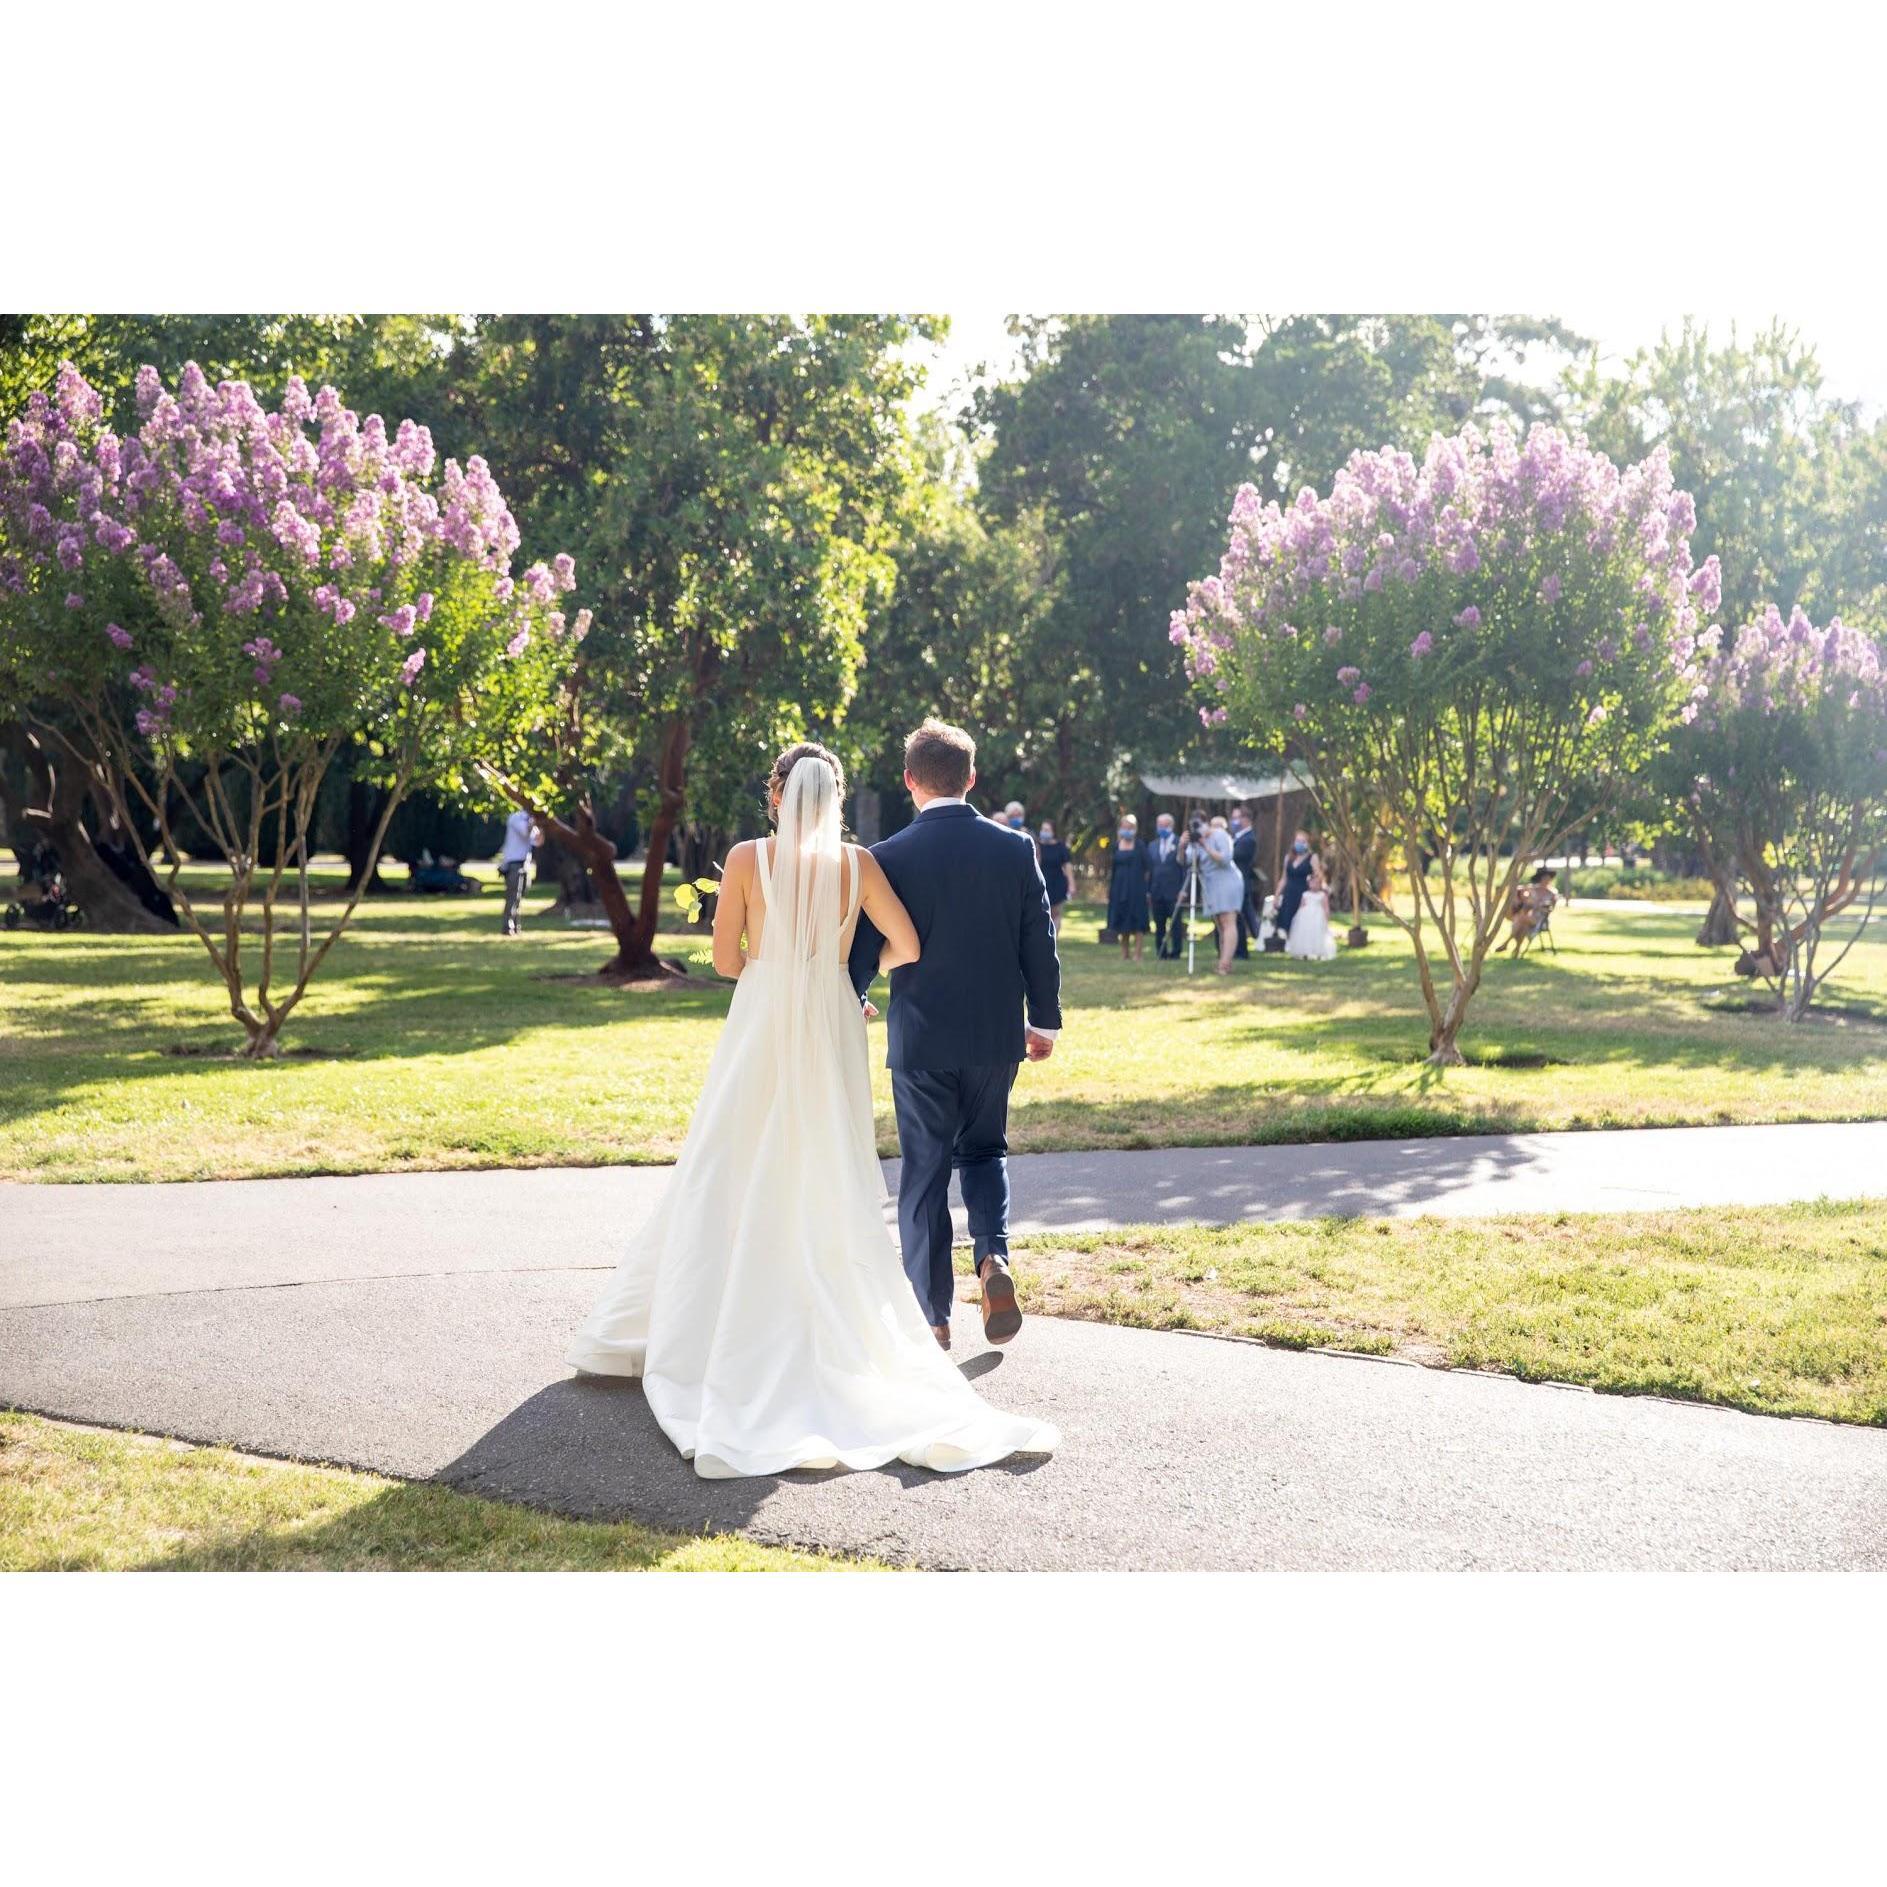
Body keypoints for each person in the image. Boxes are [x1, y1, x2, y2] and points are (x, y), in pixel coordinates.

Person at [566, 739, 1057, 1479]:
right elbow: (906, 942)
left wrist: (771, 955)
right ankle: (887, 1295)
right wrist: (837, 972)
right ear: (833, 797)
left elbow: (728, 963)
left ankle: (723, 1311)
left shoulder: (743, 859)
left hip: (762, 1016)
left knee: (732, 1151)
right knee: (827, 1155)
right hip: (830, 1016)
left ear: (777, 795)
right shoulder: (858, 865)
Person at [847, 718, 1065, 1355]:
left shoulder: (885, 857)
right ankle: (993, 1260)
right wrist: (1043, 1021)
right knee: (985, 1149)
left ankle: (933, 1315)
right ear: (971, 777)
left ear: (909, 780)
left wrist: (854, 994)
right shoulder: (1014, 847)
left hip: (919, 1041)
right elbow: (1038, 941)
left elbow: (865, 946)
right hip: (995, 1036)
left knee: (924, 1172)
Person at [1194, 813, 1244, 974]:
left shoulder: (1220, 835)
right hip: (1211, 885)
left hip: (1227, 882)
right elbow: (1188, 861)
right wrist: (1185, 844)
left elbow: (1225, 859)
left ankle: (1224, 963)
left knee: (1228, 922)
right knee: (1220, 925)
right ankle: (1225, 961)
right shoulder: (1197, 840)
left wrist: (1205, 846)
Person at [1281, 833, 1337, 960]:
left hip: (1304, 892)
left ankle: (1312, 948)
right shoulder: (1288, 858)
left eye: (1302, 841)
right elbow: (1283, 878)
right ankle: (1295, 946)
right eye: (1297, 841)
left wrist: (1320, 887)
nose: (1299, 844)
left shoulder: (1312, 858)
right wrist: (1278, 893)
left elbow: (1318, 875)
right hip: (1290, 893)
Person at [1106, 812, 1151, 958]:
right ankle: (1124, 953)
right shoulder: (1116, 846)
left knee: (1137, 920)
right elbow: (1112, 868)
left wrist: (1146, 888)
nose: (1127, 830)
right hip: (1119, 888)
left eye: (1130, 827)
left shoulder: (1140, 846)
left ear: (1135, 828)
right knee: (1122, 920)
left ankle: (1138, 953)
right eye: (1124, 827)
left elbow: (1148, 868)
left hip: (1136, 889)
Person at [498, 806, 541, 936]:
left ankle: (516, 926)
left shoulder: (530, 821)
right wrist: (536, 821)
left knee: (519, 897)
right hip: (513, 863)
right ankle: (507, 926)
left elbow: (538, 841)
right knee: (512, 896)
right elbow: (525, 832)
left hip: (524, 863)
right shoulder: (516, 818)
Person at [1147, 812, 1185, 958]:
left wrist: (1183, 890)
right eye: (1159, 825)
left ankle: (1176, 952)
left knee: (1175, 924)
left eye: (1164, 825)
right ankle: (1160, 951)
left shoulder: (1179, 843)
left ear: (1171, 826)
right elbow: (1150, 870)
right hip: (1157, 891)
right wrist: (1148, 890)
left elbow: (1184, 867)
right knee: (1159, 924)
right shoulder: (1152, 845)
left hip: (1174, 890)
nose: (1161, 828)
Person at [1229, 805, 1261, 958]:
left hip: (1241, 884)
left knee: (1240, 918)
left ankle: (1241, 951)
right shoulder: (1237, 837)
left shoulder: (1249, 839)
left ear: (1246, 819)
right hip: (1234, 885)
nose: (1234, 821)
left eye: (1237, 817)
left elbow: (1234, 856)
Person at [1505, 867, 1560, 951]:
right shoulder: (1532, 889)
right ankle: (1517, 948)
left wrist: (1541, 907)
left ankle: (1506, 943)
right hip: (1529, 916)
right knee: (1522, 924)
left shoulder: (1552, 893)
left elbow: (1551, 909)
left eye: (1548, 877)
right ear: (1540, 878)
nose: (1546, 880)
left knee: (1520, 919)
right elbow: (1518, 891)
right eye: (1544, 877)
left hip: (1541, 919)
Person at [1036, 819, 1073, 934]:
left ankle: (1054, 940)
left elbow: (1067, 865)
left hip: (1057, 883)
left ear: (1053, 832)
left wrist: (1071, 884)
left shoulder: (1060, 847)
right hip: (1040, 883)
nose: (1044, 832)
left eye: (1047, 830)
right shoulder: (1036, 846)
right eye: (1043, 829)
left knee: (1055, 914)